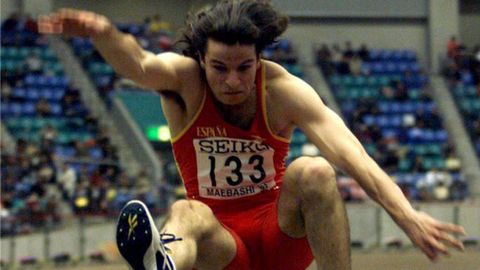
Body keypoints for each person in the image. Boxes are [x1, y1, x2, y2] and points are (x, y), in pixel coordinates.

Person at [39, 1, 466, 270]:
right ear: (200, 60)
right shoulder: (185, 82)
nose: (232, 81)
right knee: (185, 210)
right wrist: (103, 33)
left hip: (278, 237)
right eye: (219, 68)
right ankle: (164, 264)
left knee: (314, 169)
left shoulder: (284, 91)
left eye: (245, 67)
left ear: (259, 58)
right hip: (223, 248)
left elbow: (353, 156)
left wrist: (407, 217)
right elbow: (139, 64)